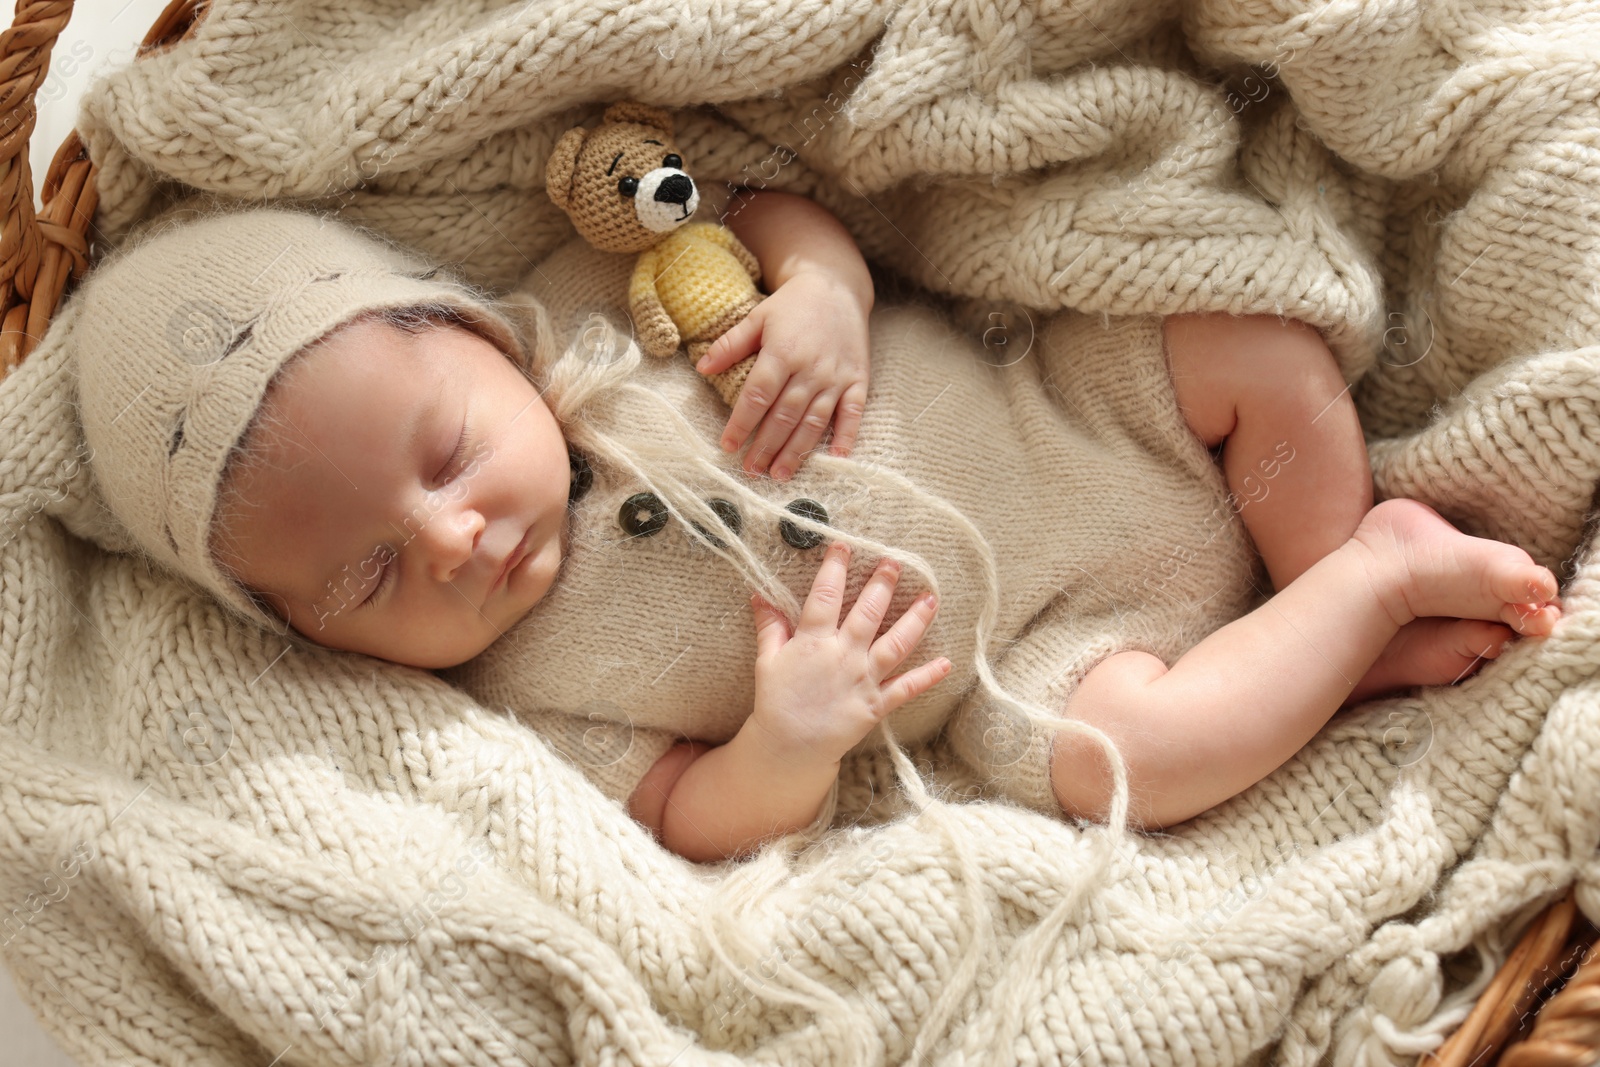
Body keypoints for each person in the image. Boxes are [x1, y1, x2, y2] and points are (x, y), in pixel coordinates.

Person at [72, 193, 1562, 868]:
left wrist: (828, 296)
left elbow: (771, 215)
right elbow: (681, 813)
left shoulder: (595, 308)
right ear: (308, 636)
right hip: (1030, 655)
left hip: (1074, 412)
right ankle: (1360, 590)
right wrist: (785, 745)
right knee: (1136, 764)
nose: (453, 536)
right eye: (369, 574)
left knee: (1250, 343)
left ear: (479, 339)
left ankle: (1326, 569)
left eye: (447, 452)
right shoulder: (514, 693)